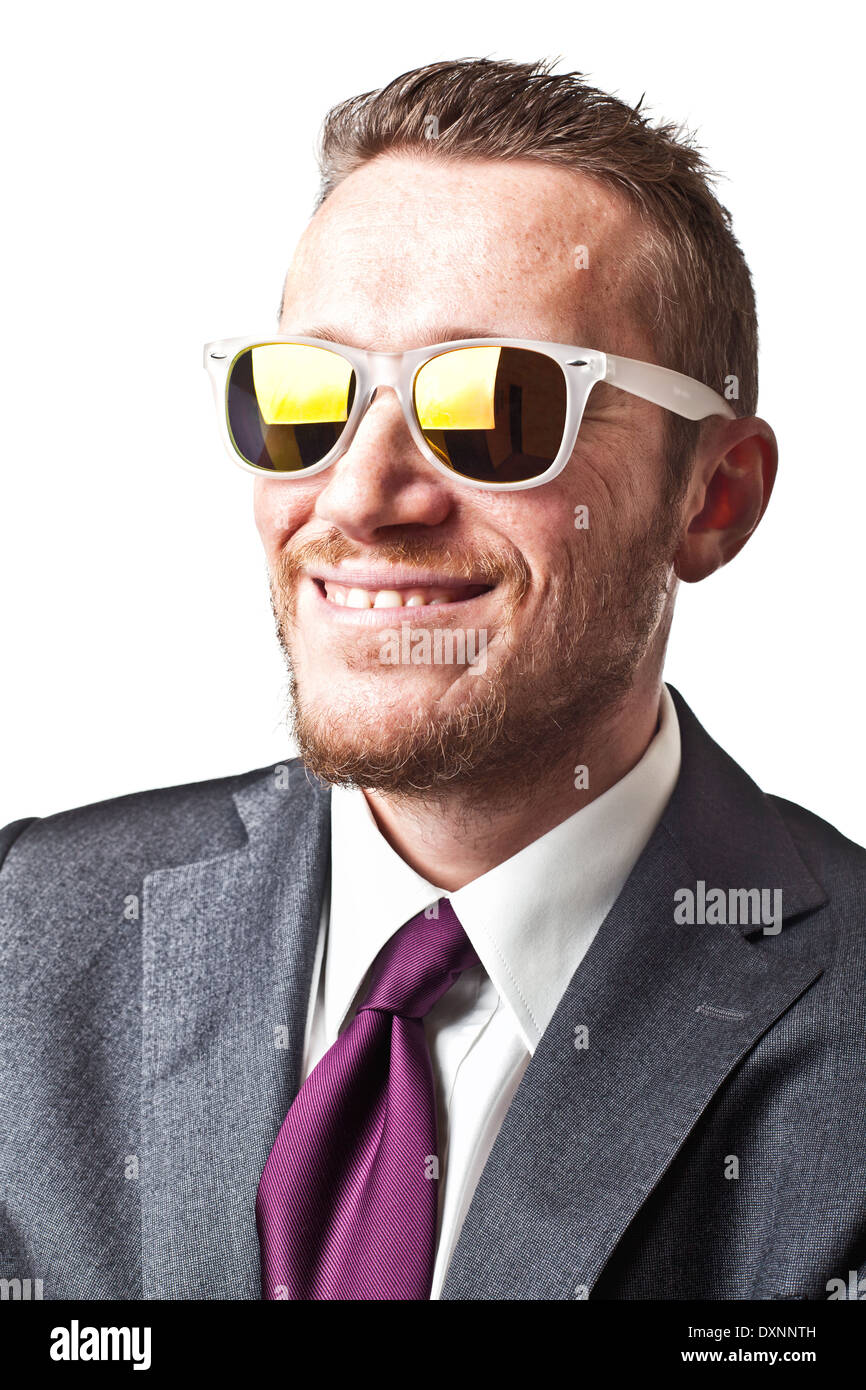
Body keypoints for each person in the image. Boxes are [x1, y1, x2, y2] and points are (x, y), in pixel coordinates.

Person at [1, 57, 863, 1302]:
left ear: (711, 498)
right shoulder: (36, 933)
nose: (358, 495)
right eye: (305, 396)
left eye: (496, 407)